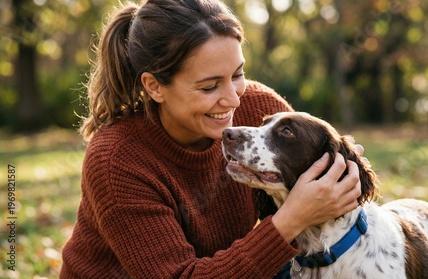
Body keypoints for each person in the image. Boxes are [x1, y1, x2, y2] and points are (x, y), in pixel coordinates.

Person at [60, 0, 362, 278]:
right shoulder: (117, 161)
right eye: (209, 87)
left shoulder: (259, 109)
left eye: (237, 75)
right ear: (154, 87)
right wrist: (292, 219)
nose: (233, 100)